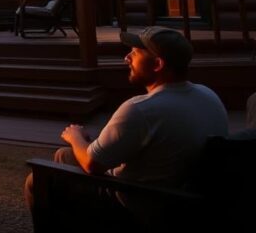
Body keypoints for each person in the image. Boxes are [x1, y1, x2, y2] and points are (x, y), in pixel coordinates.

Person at [25, 26, 229, 226]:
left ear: (157, 64)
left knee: (37, 180)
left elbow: (91, 165)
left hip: (139, 202)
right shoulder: (208, 95)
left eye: (135, 53)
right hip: (187, 198)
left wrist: (74, 135)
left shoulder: (141, 109)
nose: (127, 58)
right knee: (63, 156)